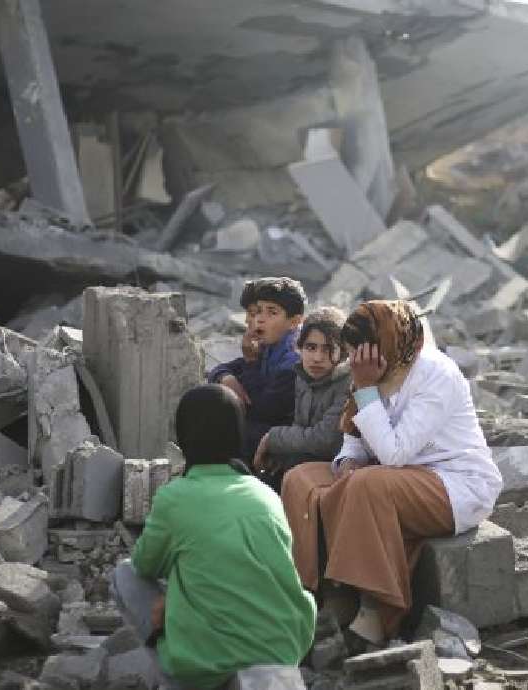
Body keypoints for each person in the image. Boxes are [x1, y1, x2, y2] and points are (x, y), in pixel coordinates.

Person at [280, 301, 502, 648]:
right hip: (389, 475)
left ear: (389, 346)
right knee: (301, 479)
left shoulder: (436, 374)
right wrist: (346, 462)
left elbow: (395, 453)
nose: (357, 364)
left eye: (364, 355)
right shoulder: (369, 370)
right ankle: (327, 592)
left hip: (452, 482)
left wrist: (366, 387)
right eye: (354, 355)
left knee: (368, 484)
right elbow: (354, 440)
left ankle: (374, 611)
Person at [110, 384, 316, 690]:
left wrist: (173, 600)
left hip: (204, 662)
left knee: (125, 574)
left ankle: (178, 678)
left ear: (183, 438)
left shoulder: (175, 497)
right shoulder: (265, 495)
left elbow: (145, 566)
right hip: (281, 649)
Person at [252, 306, 351, 492]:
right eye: (311, 347)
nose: (317, 358)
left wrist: (273, 438)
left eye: (328, 349)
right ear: (300, 347)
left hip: (339, 464)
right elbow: (300, 426)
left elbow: (325, 440)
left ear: (343, 351)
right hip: (307, 456)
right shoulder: (303, 376)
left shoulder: (348, 382)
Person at [208, 277, 306, 460]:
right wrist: (226, 377)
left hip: (289, 437)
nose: (258, 320)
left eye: (271, 313)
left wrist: (251, 362)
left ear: (294, 322)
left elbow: (261, 410)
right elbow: (225, 368)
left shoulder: (294, 358)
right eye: (258, 312)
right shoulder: (270, 345)